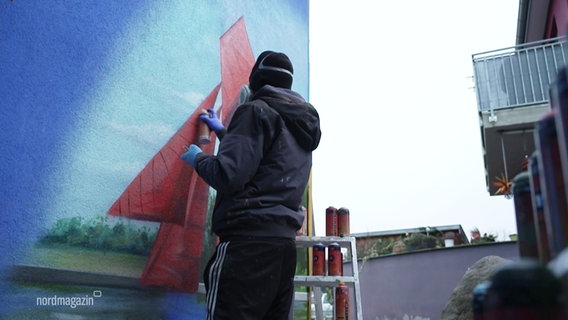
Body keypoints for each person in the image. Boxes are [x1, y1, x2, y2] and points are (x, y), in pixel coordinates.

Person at [181, 50, 321, 320]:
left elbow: (228, 175)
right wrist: (225, 132)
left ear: (256, 80)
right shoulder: (300, 123)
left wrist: (198, 158)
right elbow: (269, 161)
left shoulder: (254, 111)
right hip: (282, 249)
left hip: (247, 249)